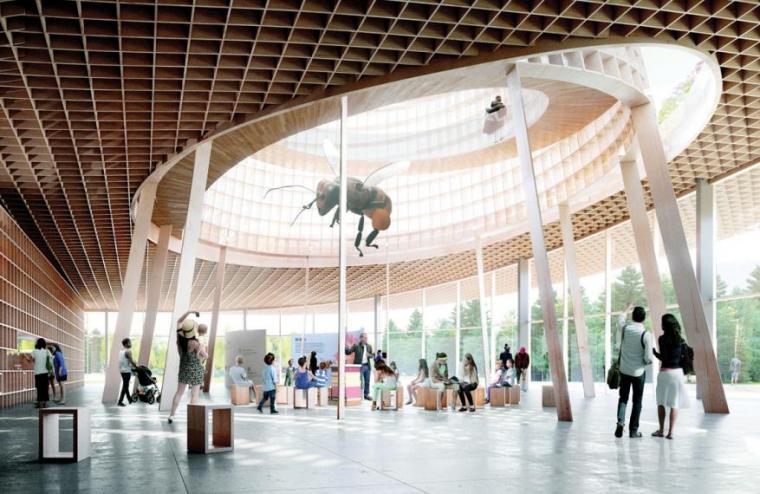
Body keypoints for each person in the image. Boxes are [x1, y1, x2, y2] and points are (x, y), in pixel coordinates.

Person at [614, 305, 654, 439]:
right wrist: (645, 362)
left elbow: (620, 321)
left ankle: (620, 422)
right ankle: (633, 431)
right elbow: (648, 357)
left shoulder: (626, 329)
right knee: (637, 401)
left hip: (624, 371)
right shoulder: (646, 334)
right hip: (638, 373)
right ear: (644, 319)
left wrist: (625, 311)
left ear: (633, 317)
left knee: (623, 398)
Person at [652, 314, 689, 440]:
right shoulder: (680, 339)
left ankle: (661, 430)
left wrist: (655, 353)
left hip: (665, 373)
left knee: (661, 403)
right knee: (674, 404)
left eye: (662, 322)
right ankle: (671, 433)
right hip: (678, 374)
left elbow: (665, 358)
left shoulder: (662, 339)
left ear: (665, 325)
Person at [168, 311, 208, 424]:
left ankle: (171, 415)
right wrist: (202, 347)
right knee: (194, 395)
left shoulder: (179, 339)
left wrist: (189, 312)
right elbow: (206, 356)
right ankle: (192, 418)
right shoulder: (195, 343)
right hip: (195, 370)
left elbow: (179, 321)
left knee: (179, 393)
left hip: (184, 369)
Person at [345, 333, 374, 400]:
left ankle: (366, 395)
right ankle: (358, 394)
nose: (366, 339)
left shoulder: (369, 346)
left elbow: (372, 355)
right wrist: (345, 348)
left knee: (367, 381)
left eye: (367, 337)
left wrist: (369, 355)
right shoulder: (356, 346)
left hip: (367, 366)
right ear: (361, 338)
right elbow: (348, 352)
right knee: (359, 381)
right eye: (365, 337)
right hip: (359, 366)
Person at [31, 338, 53, 408]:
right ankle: (45, 403)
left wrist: (24, 356)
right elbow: (50, 360)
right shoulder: (47, 351)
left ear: (37, 344)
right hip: (45, 373)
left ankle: (40, 403)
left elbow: (30, 360)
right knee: (45, 388)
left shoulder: (34, 351)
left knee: (39, 388)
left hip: (38, 373)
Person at [118, 338, 137, 407]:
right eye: (129, 342)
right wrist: (137, 367)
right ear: (126, 344)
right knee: (125, 386)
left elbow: (124, 361)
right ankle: (124, 400)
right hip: (126, 371)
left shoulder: (121, 352)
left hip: (122, 371)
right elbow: (131, 361)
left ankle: (127, 400)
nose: (131, 344)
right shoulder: (128, 351)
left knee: (125, 385)